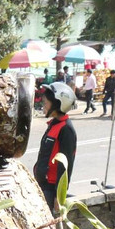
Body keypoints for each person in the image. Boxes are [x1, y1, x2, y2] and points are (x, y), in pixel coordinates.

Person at [32, 83, 77, 214]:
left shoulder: (66, 129)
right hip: (43, 183)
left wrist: (59, 195)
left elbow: (66, 164)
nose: (43, 106)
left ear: (58, 104)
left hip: (51, 188)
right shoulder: (53, 124)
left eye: (45, 103)